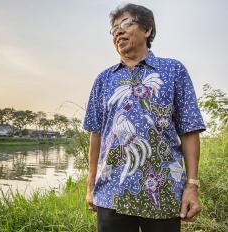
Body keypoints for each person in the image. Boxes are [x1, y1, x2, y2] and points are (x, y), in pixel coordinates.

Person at [82, 3, 206, 232]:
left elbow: (189, 130)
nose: (118, 31)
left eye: (126, 23)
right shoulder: (103, 79)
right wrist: (91, 185)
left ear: (147, 30)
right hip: (111, 194)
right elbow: (96, 134)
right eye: (114, 28)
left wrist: (191, 186)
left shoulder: (173, 70)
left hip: (163, 192)